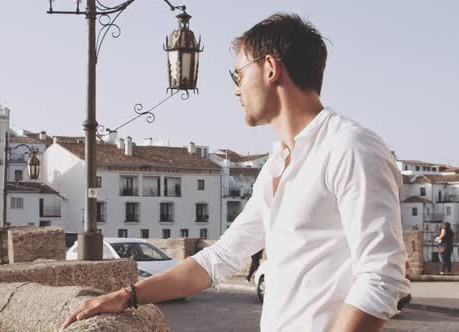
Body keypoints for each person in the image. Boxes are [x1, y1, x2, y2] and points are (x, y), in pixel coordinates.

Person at [61, 13, 410, 332]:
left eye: (239, 74)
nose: (235, 88)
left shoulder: (350, 147)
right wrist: (127, 296)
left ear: (271, 68)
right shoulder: (277, 162)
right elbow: (220, 257)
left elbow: (381, 276)